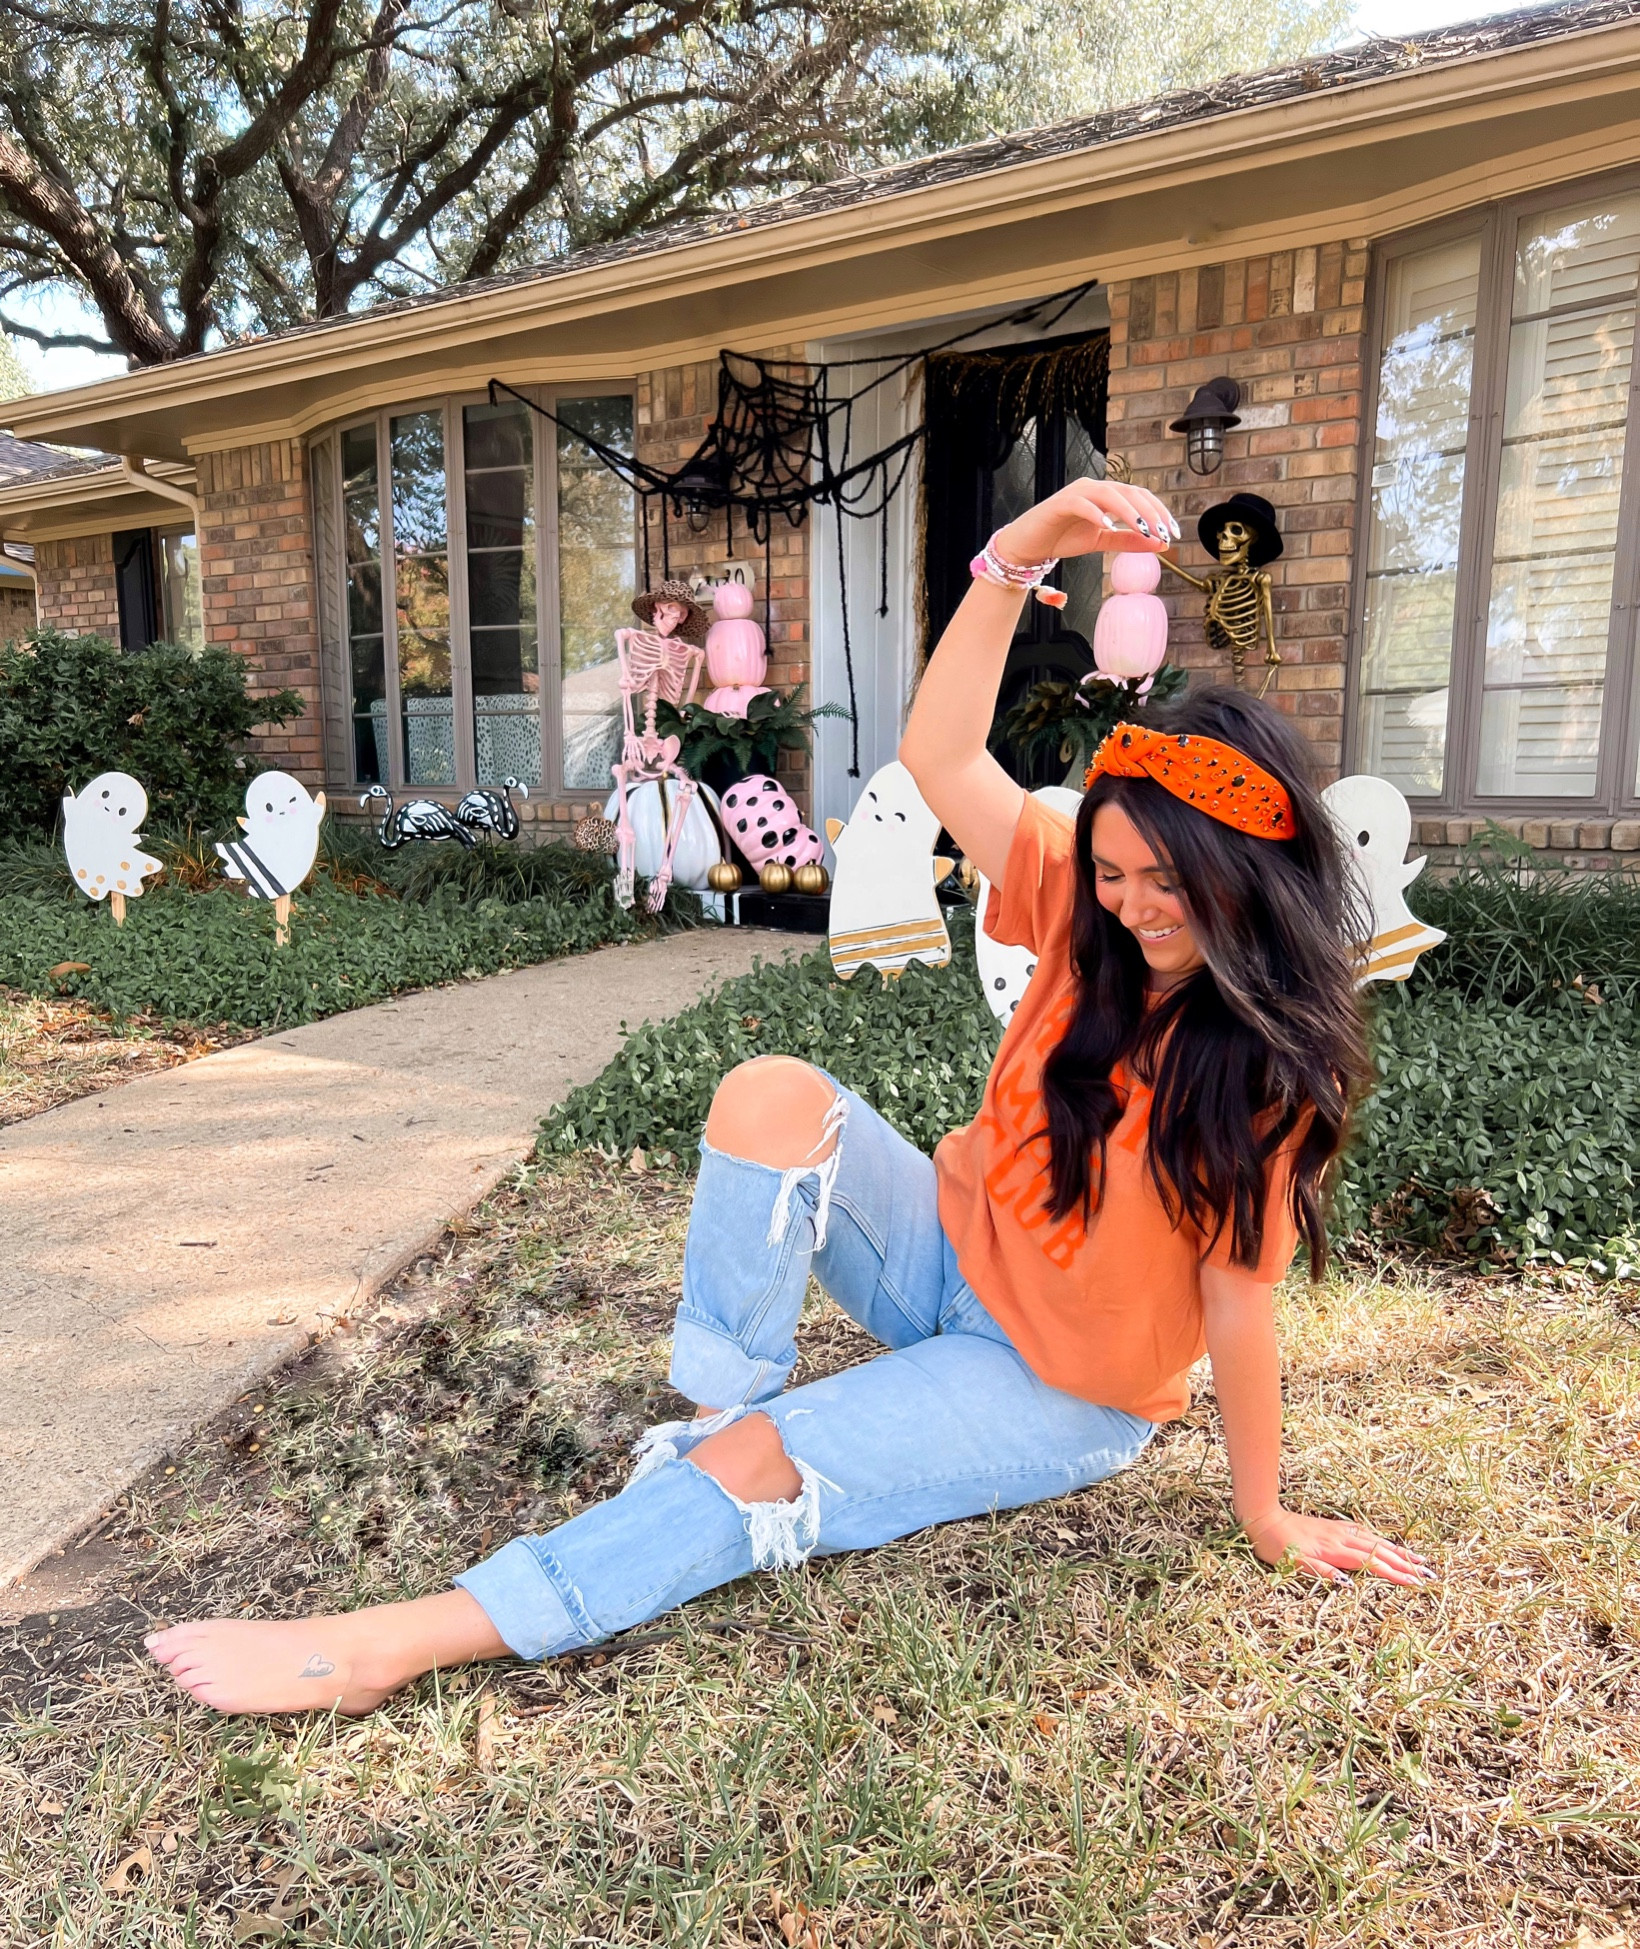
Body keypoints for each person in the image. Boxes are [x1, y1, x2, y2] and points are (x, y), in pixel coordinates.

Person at [146, 477, 1435, 1717]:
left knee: (762, 1478)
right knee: (773, 1093)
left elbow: (1237, 1308)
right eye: (1111, 873)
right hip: (950, 1266)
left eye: (1169, 884)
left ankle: (389, 1645)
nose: (1134, 909)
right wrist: (1018, 552)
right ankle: (721, 1413)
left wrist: (1267, 1514)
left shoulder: (1263, 1074)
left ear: (1249, 875)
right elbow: (939, 753)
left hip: (1063, 1389)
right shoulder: (1080, 913)